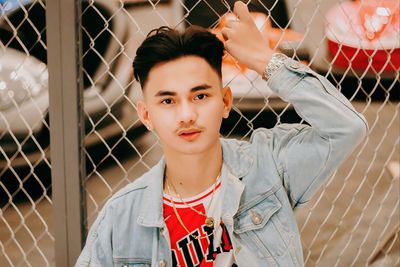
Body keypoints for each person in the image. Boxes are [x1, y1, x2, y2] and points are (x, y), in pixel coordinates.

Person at [76, 2, 368, 266]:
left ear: (225, 101)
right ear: (146, 115)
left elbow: (345, 127)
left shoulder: (267, 168)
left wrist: (265, 60)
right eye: (168, 101)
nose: (187, 114)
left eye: (200, 96)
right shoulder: (121, 219)